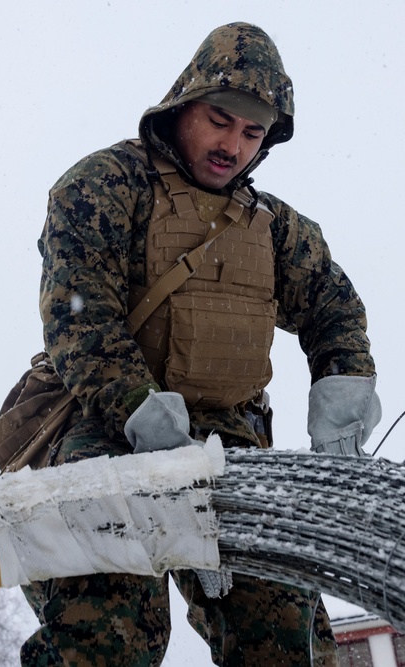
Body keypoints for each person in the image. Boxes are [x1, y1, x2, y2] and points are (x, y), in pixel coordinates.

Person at [22, 22, 381, 667]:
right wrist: (144, 418)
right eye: (220, 120)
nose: (233, 145)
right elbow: (81, 320)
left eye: (253, 133)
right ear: (184, 103)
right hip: (106, 434)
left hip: (231, 447)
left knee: (283, 634)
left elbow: (333, 306)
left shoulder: (275, 227)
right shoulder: (104, 187)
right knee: (108, 633)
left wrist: (343, 389)